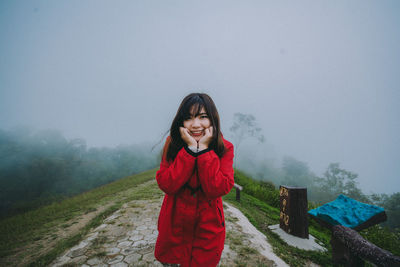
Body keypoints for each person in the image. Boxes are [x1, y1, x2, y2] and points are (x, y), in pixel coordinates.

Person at [154, 93, 235, 267]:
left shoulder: (225, 147)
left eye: (203, 117)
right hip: (174, 227)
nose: (196, 124)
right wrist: (190, 150)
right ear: (181, 122)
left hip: (208, 229)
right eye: (189, 118)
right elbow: (167, 184)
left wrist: (204, 151)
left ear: (212, 119)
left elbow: (219, 188)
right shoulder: (173, 143)